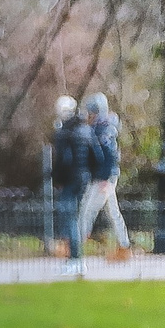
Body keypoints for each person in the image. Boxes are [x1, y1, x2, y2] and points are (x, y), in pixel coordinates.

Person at [77, 91, 130, 259]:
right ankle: (124, 246)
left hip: (103, 178)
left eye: (90, 112)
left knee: (87, 211)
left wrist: (106, 179)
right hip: (103, 177)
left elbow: (110, 156)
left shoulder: (103, 130)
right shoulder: (102, 128)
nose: (88, 116)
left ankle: (75, 246)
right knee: (113, 213)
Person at [49, 96, 93, 272]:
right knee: (76, 218)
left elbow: (63, 160)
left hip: (70, 180)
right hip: (84, 178)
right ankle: (75, 257)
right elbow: (95, 154)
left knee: (69, 218)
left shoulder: (64, 133)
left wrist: (57, 178)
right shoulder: (85, 129)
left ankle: (75, 258)